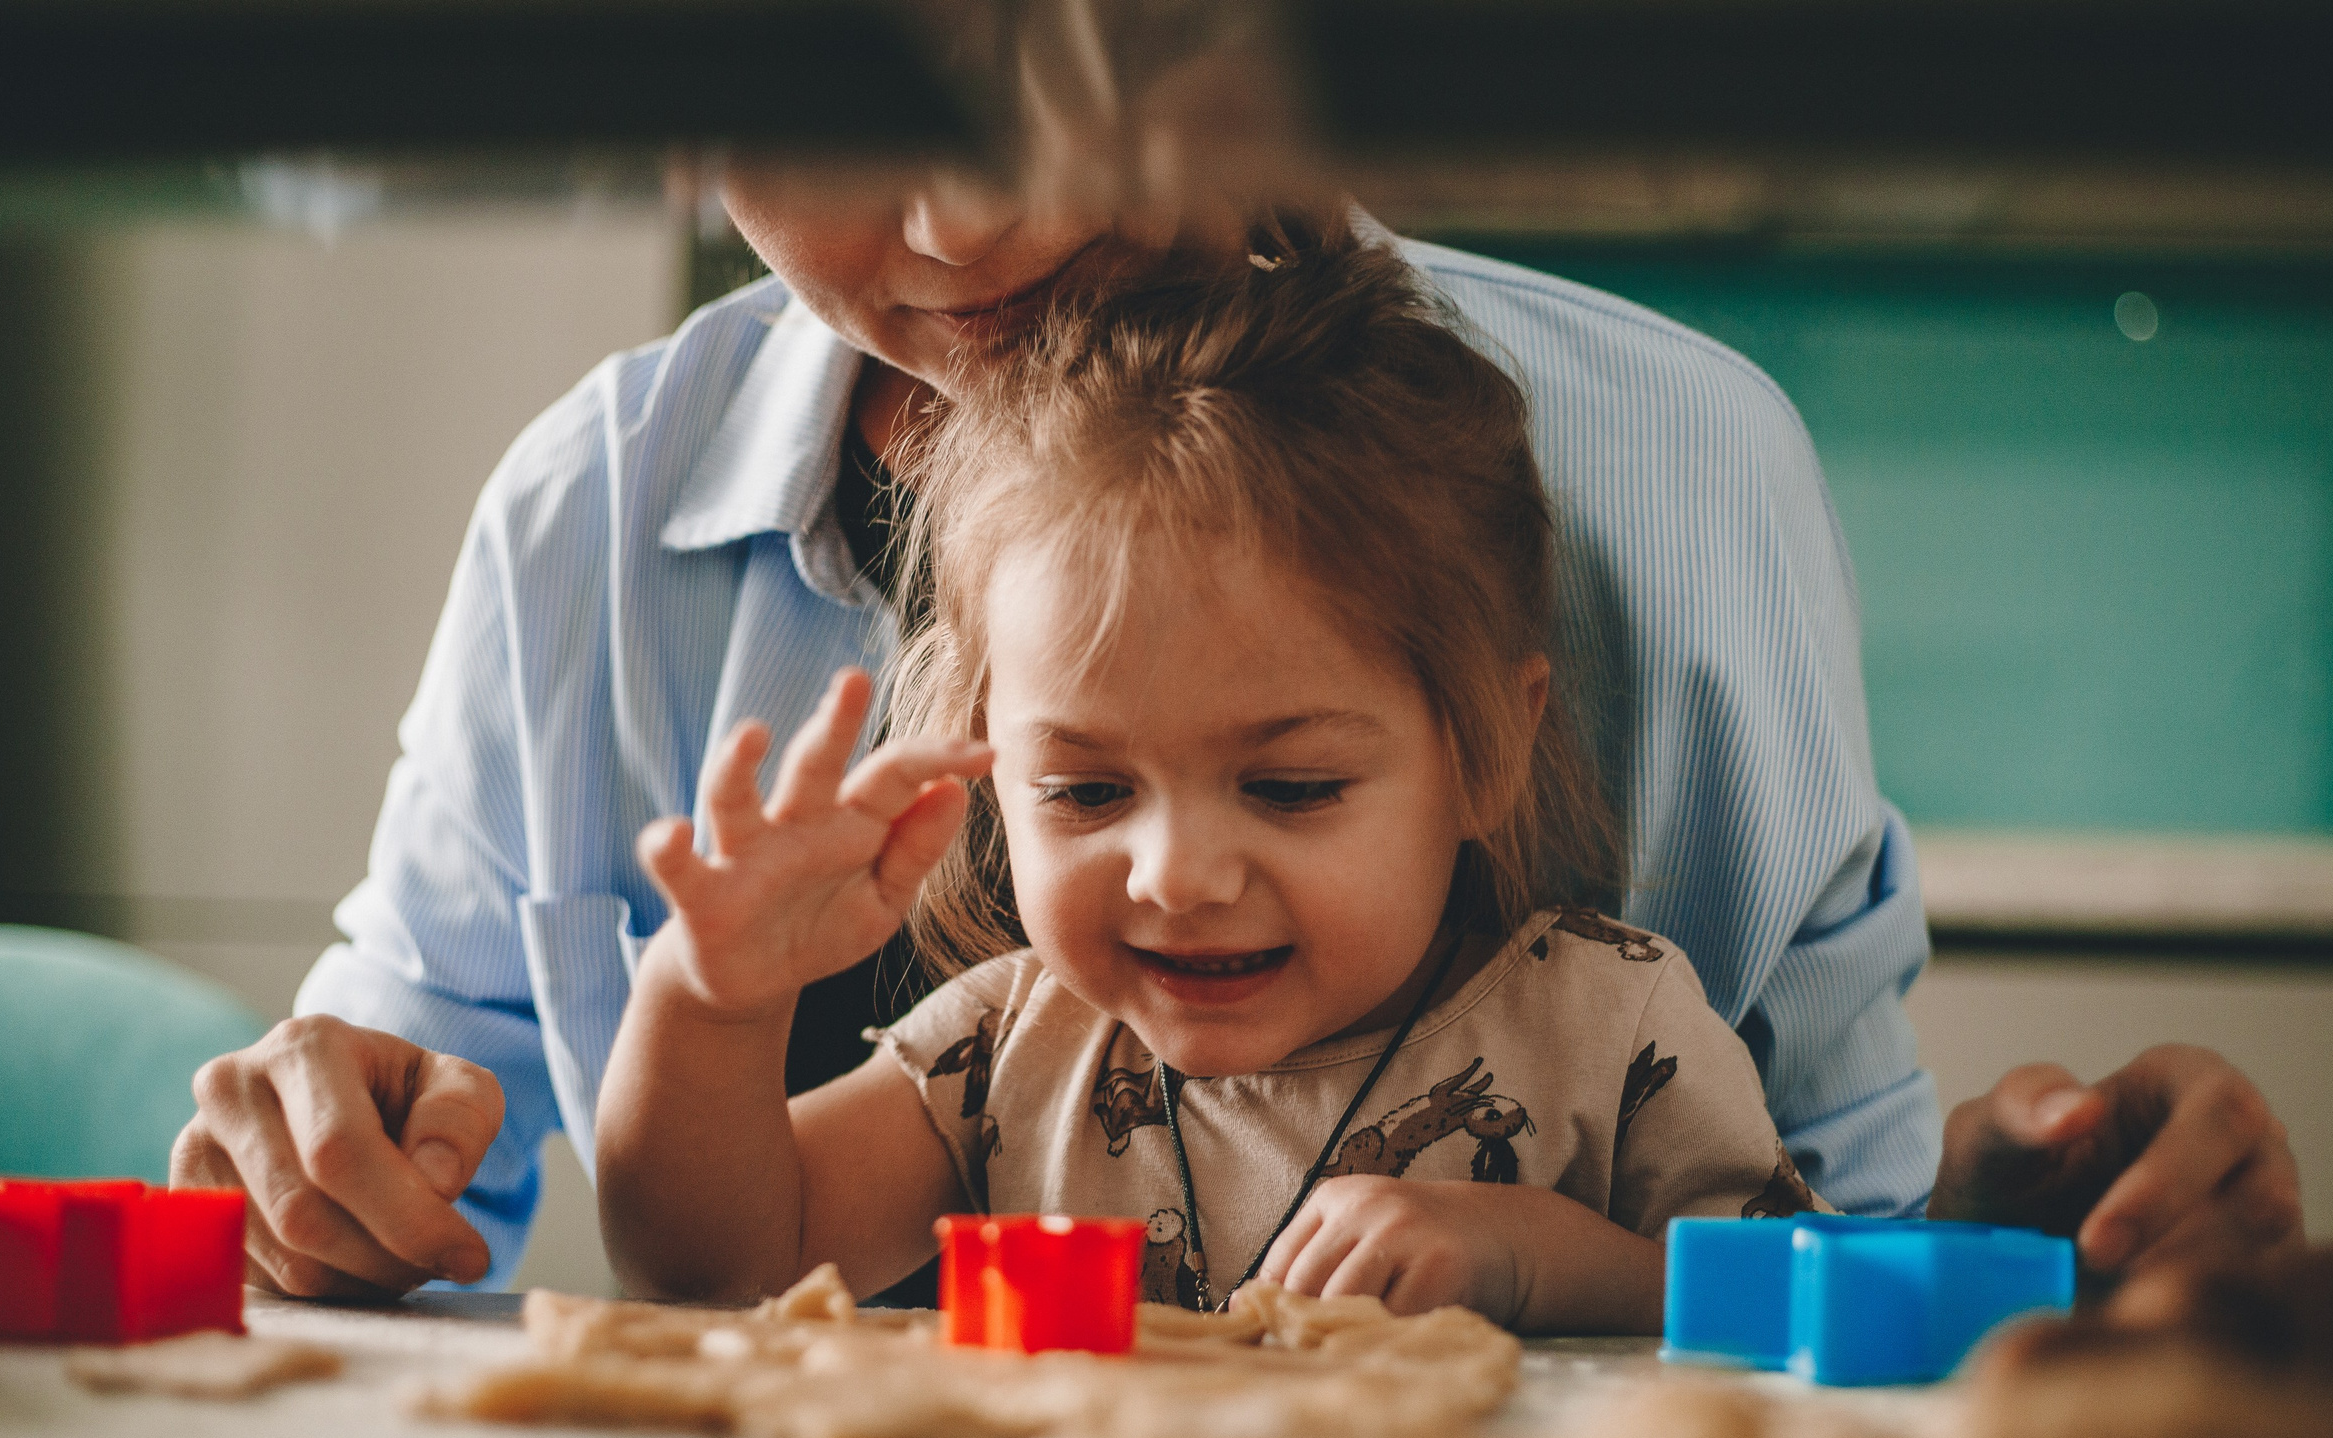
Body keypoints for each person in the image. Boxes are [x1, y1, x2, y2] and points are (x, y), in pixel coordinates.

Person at [168, 166, 2299, 1300]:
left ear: (1489, 740)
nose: (959, 229)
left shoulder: (1682, 485)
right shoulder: (579, 521)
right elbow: (559, 1183)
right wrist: (349, 1146)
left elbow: (1828, 1272)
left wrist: (2041, 1212)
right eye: (1082, 786)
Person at [596, 231, 1823, 1329]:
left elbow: (1791, 1302)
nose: (1175, 878)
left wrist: (1536, 1257)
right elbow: (719, 1270)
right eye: (1084, 793)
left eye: (1290, 787)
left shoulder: (1611, 1029)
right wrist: (709, 1004)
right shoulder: (1008, 1050)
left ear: (1486, 750)